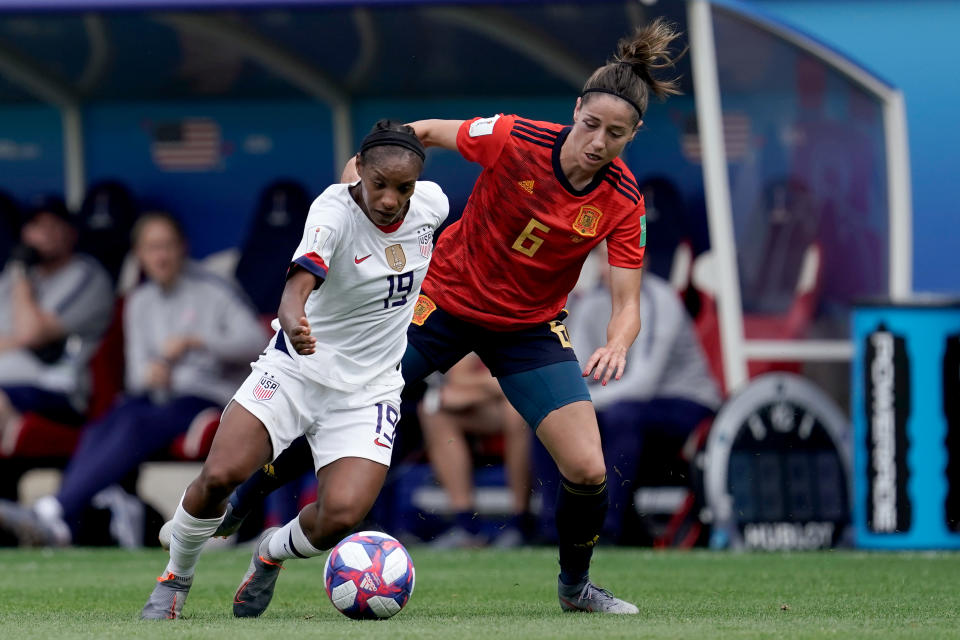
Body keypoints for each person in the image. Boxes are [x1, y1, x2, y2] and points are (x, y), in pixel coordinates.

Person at [203, 18, 685, 615]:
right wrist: (364, 167)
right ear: (576, 109)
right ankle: (251, 491)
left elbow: (629, 301)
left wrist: (617, 342)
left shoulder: (623, 198)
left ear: (632, 134)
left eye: (615, 134)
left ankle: (575, 589)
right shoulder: (514, 138)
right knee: (342, 395)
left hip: (529, 328)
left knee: (587, 468)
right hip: (443, 300)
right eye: (590, 125)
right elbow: (423, 132)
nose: (597, 143)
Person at [140, 120, 449, 619]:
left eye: (403, 188)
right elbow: (297, 286)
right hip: (295, 372)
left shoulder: (433, 204)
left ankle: (269, 554)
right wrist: (293, 318)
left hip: (369, 392)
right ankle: (176, 578)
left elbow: (406, 181)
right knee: (220, 475)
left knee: (341, 516)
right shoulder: (332, 212)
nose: (391, 199)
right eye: (379, 185)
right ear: (359, 174)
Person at [0, 211, 267, 546]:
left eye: (168, 246)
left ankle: (56, 512)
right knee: (107, 421)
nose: (161, 255)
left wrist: (198, 341)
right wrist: (152, 375)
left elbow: (257, 341)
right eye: (152, 248)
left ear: (182, 248)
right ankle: (62, 518)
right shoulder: (139, 301)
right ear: (139, 254)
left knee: (137, 423)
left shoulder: (213, 289)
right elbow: (136, 375)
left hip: (208, 396)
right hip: (161, 397)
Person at [565, 257, 721, 542]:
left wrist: (581, 403)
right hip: (620, 404)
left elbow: (644, 384)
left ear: (641, 262)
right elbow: (577, 369)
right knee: (554, 416)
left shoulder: (661, 299)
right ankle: (554, 530)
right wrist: (568, 405)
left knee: (621, 415)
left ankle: (606, 529)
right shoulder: (590, 303)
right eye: (603, 259)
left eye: (617, 258)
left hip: (687, 402)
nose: (609, 268)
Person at [0, 196, 114, 433]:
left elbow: (31, 334)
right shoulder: (12, 275)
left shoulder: (86, 274)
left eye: (54, 226)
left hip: (57, 389)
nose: (45, 233)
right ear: (24, 235)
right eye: (37, 226)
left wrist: (21, 279)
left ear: (72, 233)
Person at [419, 352, 531, 548]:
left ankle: (521, 522)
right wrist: (495, 387)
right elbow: (459, 377)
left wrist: (475, 391)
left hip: (532, 402)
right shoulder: (480, 321)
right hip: (495, 402)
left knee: (516, 412)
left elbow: (532, 378)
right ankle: (466, 525)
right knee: (433, 411)